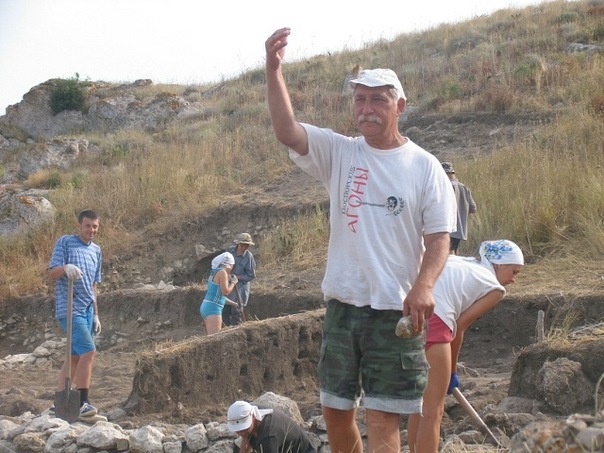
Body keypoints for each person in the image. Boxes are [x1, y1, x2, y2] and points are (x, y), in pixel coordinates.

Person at [265, 28, 457, 453]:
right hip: (343, 307)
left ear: (399, 106)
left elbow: (439, 237)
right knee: (335, 411)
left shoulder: (424, 167)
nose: (367, 109)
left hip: (394, 310)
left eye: (378, 100)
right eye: (360, 100)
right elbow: (287, 131)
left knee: (383, 419)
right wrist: (273, 71)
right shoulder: (341, 152)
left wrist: (424, 286)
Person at [407, 239, 524, 453]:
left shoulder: (461, 261)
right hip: (435, 321)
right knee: (433, 411)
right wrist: (451, 371)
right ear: (499, 264)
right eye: (514, 271)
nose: (514, 279)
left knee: (419, 405)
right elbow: (458, 327)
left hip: (409, 316)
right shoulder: (495, 289)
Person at [48, 209, 102, 417]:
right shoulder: (66, 242)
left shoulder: (96, 250)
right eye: (87, 225)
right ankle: (82, 401)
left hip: (87, 309)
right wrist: (65, 268)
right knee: (89, 351)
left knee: (74, 357)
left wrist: (96, 314)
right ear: (79, 225)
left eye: (95, 226)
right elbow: (53, 272)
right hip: (69, 308)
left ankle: (59, 402)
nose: (91, 230)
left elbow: (94, 285)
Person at [226, 400, 316, 453]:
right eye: (237, 430)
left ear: (253, 417)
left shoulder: (269, 438)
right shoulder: (251, 409)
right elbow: (246, 437)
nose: (240, 433)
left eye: (244, 428)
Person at [441, 161, 477, 255]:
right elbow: (473, 208)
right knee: (454, 254)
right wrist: (461, 211)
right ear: (453, 173)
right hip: (460, 229)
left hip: (447, 227)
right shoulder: (464, 188)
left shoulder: (445, 187)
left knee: (447, 255)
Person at [200, 251, 240, 334]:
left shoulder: (214, 272)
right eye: (232, 265)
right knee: (215, 337)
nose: (232, 268)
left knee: (212, 336)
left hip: (208, 305)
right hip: (213, 308)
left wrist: (234, 304)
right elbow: (225, 292)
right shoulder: (222, 273)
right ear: (229, 264)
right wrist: (233, 282)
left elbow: (219, 296)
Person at [223, 233, 257, 326]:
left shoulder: (248, 257)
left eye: (246, 246)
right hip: (227, 287)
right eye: (242, 245)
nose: (243, 248)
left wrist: (237, 277)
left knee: (236, 315)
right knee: (224, 313)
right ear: (238, 244)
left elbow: (251, 275)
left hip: (239, 290)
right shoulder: (229, 251)